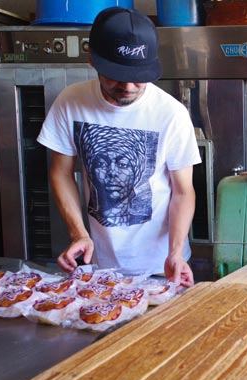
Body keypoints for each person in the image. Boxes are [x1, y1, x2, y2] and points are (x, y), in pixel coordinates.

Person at [37, 7, 201, 287]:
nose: (128, 86)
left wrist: (174, 252)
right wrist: (78, 233)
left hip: (164, 266)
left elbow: (183, 191)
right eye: (115, 74)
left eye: (138, 75)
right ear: (92, 59)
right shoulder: (71, 102)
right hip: (100, 266)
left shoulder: (171, 113)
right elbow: (60, 172)